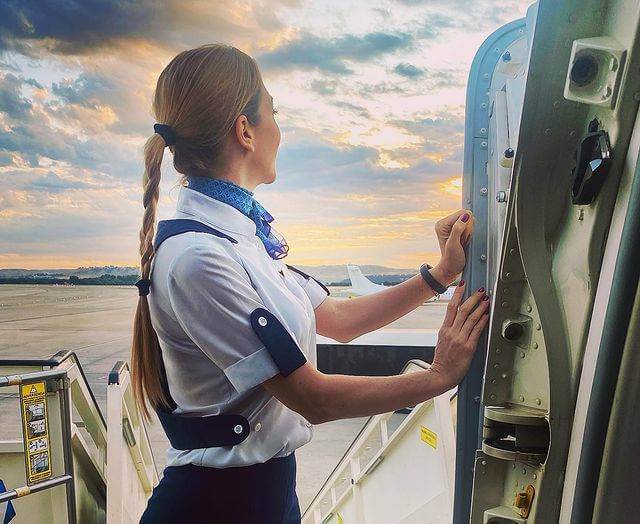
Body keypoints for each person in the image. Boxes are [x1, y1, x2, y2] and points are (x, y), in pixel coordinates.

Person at [130, 43, 489, 523]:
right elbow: (311, 398)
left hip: (267, 494)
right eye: (272, 114)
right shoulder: (199, 258)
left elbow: (339, 321)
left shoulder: (241, 238)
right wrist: (438, 378)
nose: (280, 129)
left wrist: (439, 275)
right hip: (218, 503)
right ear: (245, 131)